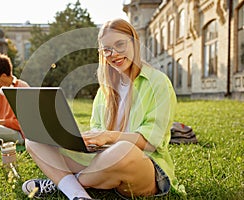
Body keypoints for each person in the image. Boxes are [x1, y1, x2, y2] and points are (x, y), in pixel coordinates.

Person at [21, 19, 186, 200]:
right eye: (106, 49)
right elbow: (98, 133)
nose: (113, 54)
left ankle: (64, 183)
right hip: (103, 161)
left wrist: (108, 136)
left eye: (120, 44)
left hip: (145, 168)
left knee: (123, 149)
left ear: (135, 43)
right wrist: (81, 139)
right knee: (35, 140)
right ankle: (78, 195)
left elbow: (150, 142)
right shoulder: (105, 89)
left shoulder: (157, 82)